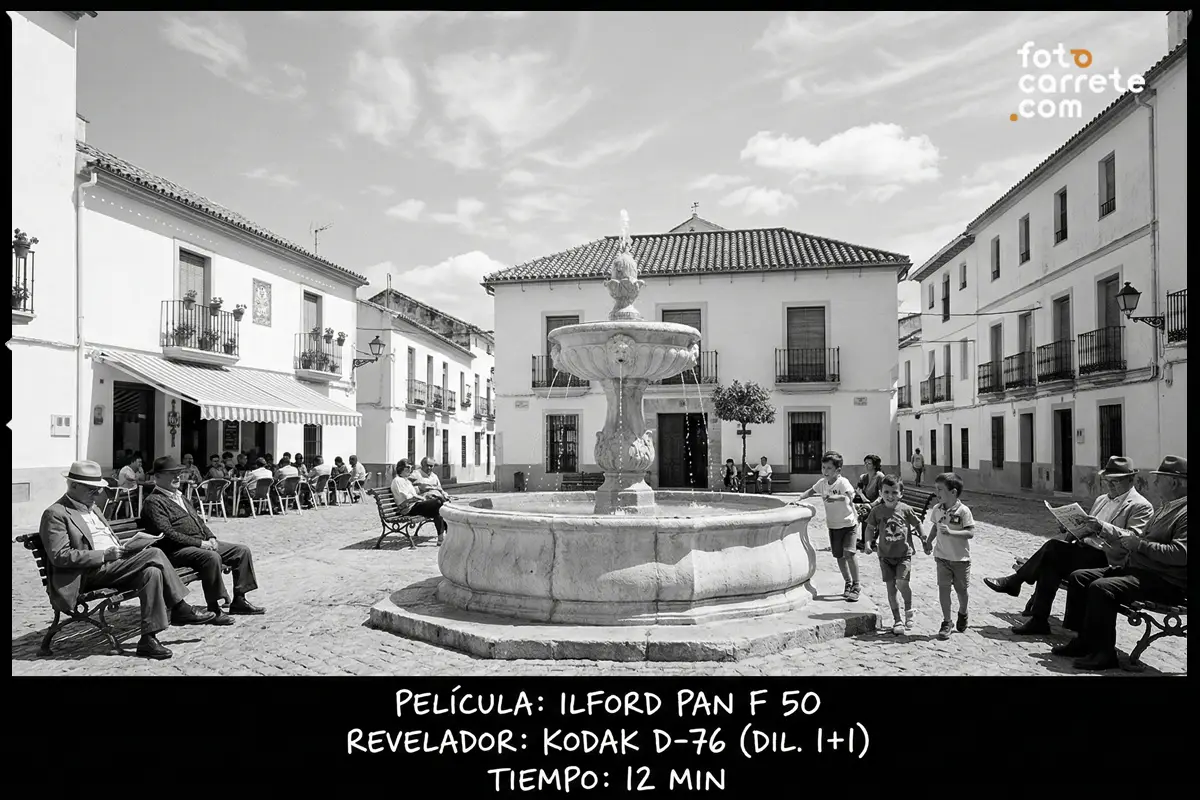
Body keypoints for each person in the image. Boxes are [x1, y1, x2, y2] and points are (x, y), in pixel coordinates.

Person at [38, 460, 215, 659]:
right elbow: (60, 556)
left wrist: (127, 548)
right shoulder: (56, 513)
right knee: (154, 554)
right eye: (92, 489)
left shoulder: (93, 508)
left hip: (115, 564)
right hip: (88, 573)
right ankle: (180, 606)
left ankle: (148, 639)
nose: (97, 494)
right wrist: (104, 555)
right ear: (73, 485)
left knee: (152, 572)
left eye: (99, 489)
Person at [983, 456, 1154, 634]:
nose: (1110, 486)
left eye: (1116, 482)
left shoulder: (1140, 505)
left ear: (1131, 480)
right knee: (1051, 563)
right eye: (1107, 481)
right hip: (1083, 552)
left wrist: (1101, 526)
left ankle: (1015, 581)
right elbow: (1087, 528)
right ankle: (1038, 620)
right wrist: (1070, 526)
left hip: (1106, 559)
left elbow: (1132, 538)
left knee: (1053, 549)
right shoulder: (1102, 499)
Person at [1051, 456, 1188, 671]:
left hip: (1166, 582)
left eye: (1159, 479)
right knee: (1080, 577)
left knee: (1102, 588)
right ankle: (1083, 640)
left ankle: (1104, 653)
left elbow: (1181, 554)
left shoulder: (1184, 513)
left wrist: (1139, 545)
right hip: (1140, 570)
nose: (1153, 483)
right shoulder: (1165, 507)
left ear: (1174, 483)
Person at [142, 456, 265, 622]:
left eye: (178, 473)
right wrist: (201, 543)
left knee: (241, 551)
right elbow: (167, 534)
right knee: (211, 557)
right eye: (171, 474)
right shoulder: (153, 502)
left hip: (200, 544)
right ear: (157, 477)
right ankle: (214, 608)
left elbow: (199, 521)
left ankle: (239, 600)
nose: (177, 477)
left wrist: (211, 537)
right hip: (175, 551)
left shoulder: (181, 497)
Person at [864, 475, 927, 634]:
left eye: (894, 492)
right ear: (881, 493)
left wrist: (924, 537)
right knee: (891, 589)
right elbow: (870, 528)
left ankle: (909, 610)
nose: (890, 496)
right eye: (886, 492)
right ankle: (897, 620)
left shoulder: (905, 509)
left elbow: (917, 523)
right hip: (885, 556)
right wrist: (867, 543)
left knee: (902, 583)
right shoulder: (877, 511)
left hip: (903, 554)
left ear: (901, 493)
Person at [797, 451, 861, 601]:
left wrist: (836, 497)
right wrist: (798, 498)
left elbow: (850, 496)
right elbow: (811, 491)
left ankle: (857, 585)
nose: (825, 471)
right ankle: (848, 583)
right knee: (839, 556)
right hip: (833, 526)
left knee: (849, 553)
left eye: (829, 468)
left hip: (848, 524)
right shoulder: (822, 484)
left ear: (838, 470)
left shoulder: (842, 482)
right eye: (823, 467)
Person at [926, 472, 976, 640]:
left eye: (940, 489)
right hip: (942, 557)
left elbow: (970, 533)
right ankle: (947, 621)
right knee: (944, 589)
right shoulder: (937, 509)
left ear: (953, 492)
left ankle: (963, 612)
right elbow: (935, 527)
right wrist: (928, 541)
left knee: (961, 590)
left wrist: (952, 532)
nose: (936, 493)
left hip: (960, 560)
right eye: (936, 489)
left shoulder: (963, 511)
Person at [391, 459, 447, 545]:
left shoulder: (406, 480)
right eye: (408, 467)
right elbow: (408, 498)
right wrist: (422, 498)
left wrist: (425, 496)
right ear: (400, 468)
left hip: (414, 505)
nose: (410, 469)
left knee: (439, 510)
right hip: (408, 508)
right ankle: (448, 534)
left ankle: (442, 539)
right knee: (438, 503)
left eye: (411, 467)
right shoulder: (398, 481)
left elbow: (415, 493)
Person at [854, 454, 885, 553]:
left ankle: (866, 541)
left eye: (869, 463)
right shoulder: (863, 477)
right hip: (866, 503)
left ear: (875, 465)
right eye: (865, 463)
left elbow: (882, 495)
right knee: (855, 510)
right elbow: (859, 492)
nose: (866, 465)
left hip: (878, 504)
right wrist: (866, 501)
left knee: (864, 512)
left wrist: (871, 504)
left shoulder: (880, 476)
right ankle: (862, 539)